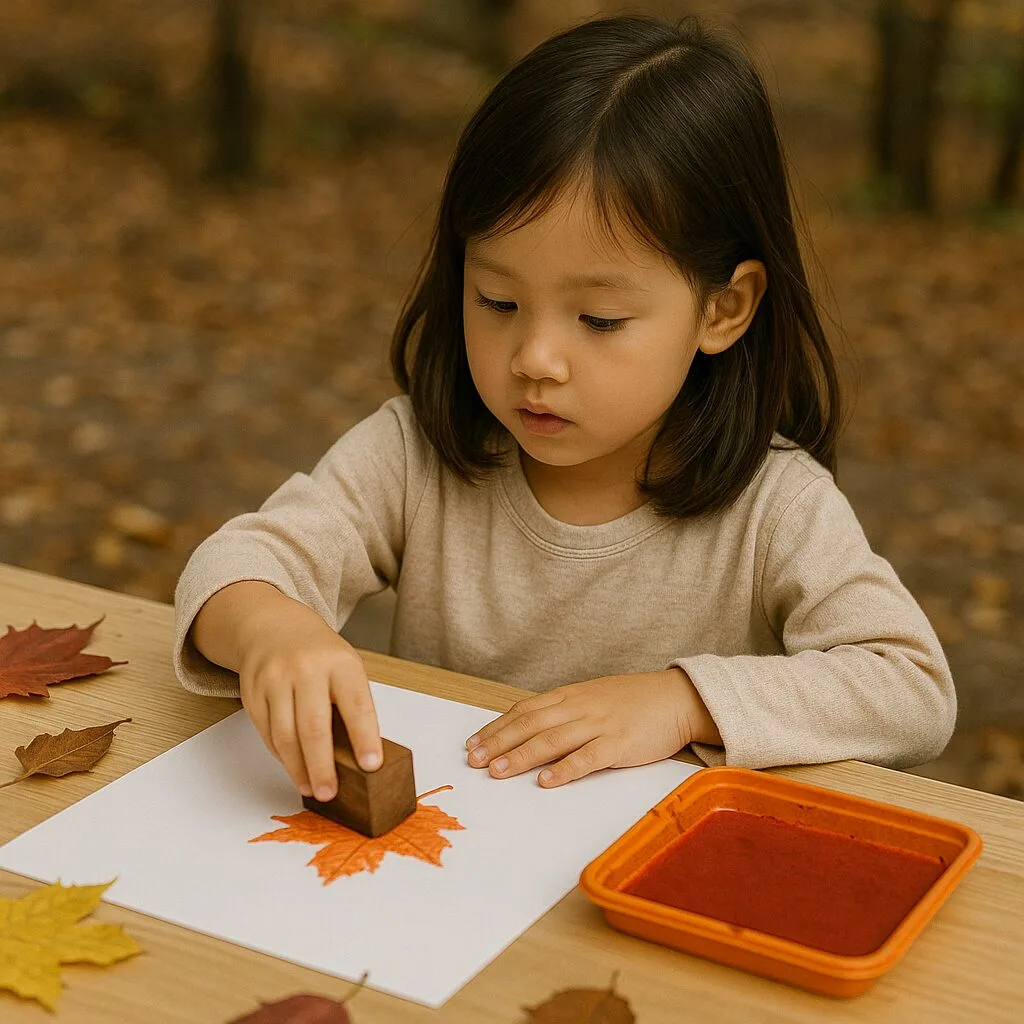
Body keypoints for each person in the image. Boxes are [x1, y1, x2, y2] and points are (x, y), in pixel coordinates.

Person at [173, 15, 956, 804]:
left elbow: (910, 688)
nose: (536, 359)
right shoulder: (416, 456)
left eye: (599, 319)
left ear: (723, 308)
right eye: (498, 300)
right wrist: (271, 628)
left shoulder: (775, 508)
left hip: (654, 865)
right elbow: (233, 565)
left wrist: (682, 702)